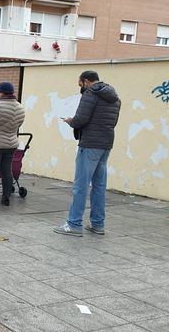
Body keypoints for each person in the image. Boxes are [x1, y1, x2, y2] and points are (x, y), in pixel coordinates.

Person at [54, 71, 121, 237]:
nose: (80, 88)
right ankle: (98, 224)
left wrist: (71, 121)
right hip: (106, 144)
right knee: (99, 186)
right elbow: (113, 121)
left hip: (90, 143)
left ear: (85, 81)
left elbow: (81, 119)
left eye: (80, 84)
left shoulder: (91, 94)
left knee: (81, 185)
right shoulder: (114, 95)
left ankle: (74, 224)